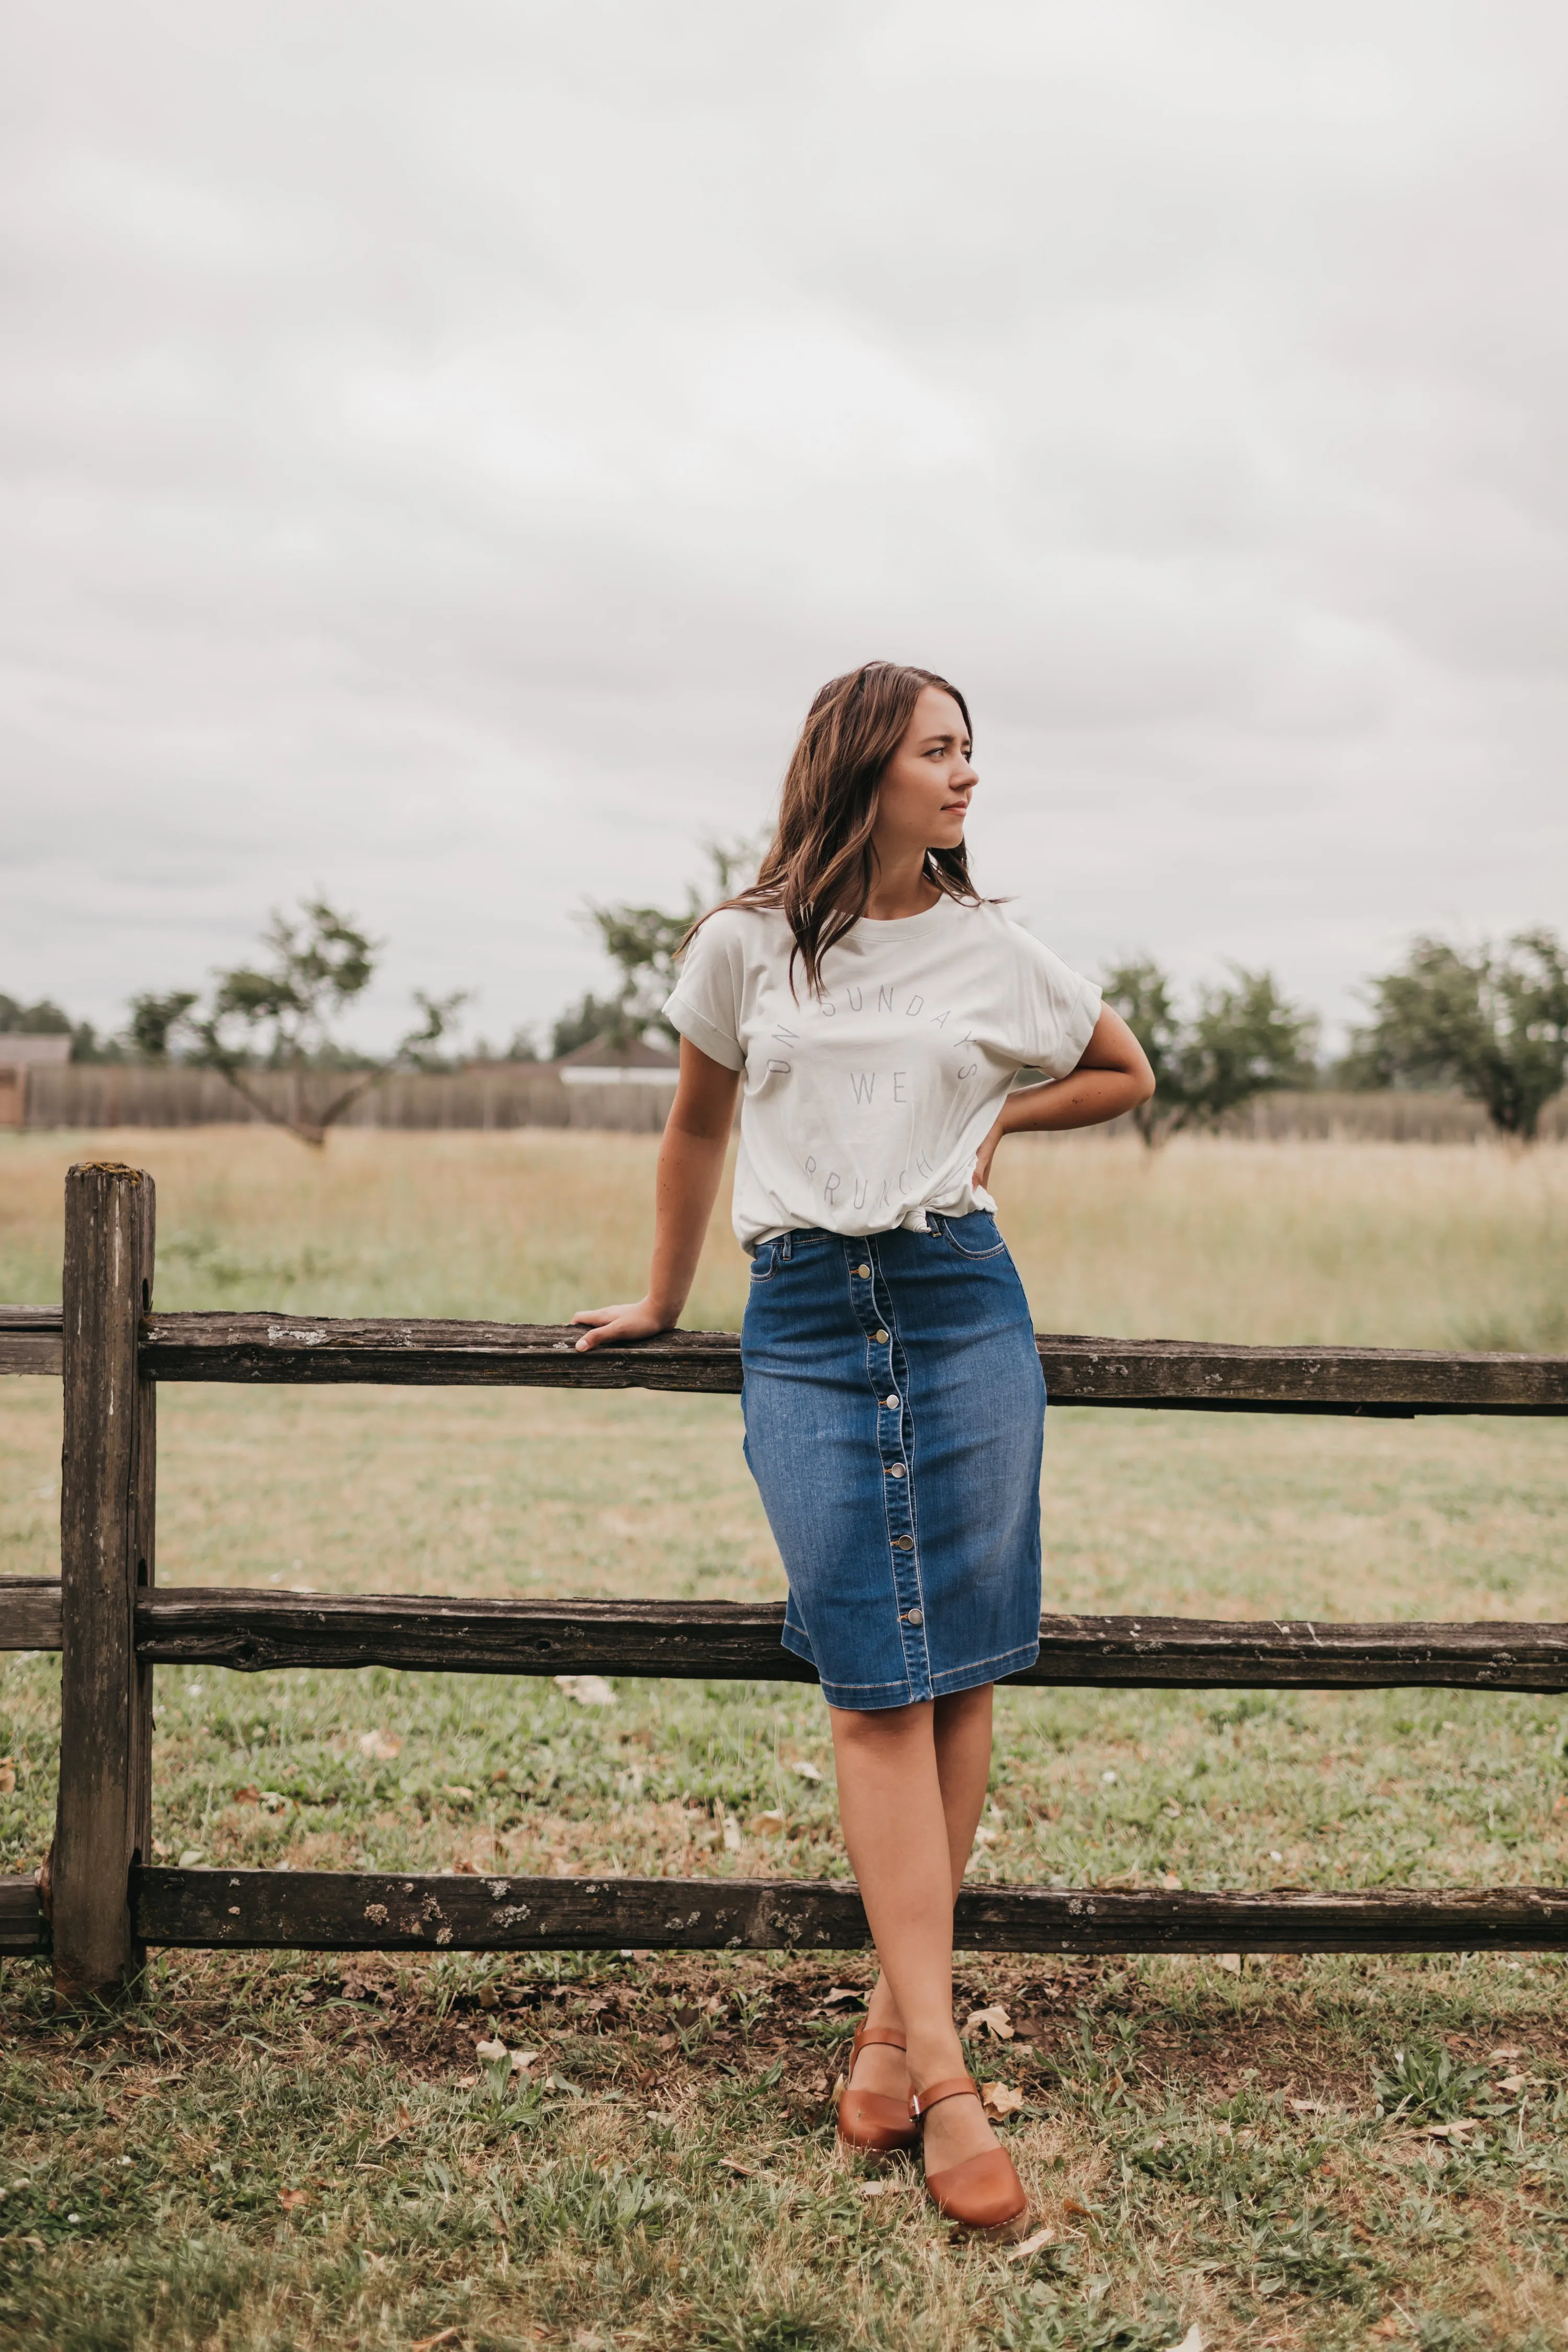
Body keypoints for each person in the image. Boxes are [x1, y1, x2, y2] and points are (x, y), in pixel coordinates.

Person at [573, 661, 1154, 2236]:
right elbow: (697, 1124)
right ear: (862, 766)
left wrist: (1000, 1126)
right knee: (870, 1675)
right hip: (810, 1319)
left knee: (957, 1666)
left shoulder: (993, 948)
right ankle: (947, 2069)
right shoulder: (743, 944)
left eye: (974, 750)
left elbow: (1125, 1067)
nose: (968, 775)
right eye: (940, 750)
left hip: (963, 1306)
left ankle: (900, 2030)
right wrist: (660, 1295)